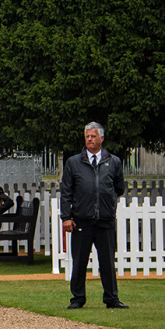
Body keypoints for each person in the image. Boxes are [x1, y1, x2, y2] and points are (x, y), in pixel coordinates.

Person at [60, 122, 128, 309]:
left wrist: (107, 201)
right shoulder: (74, 162)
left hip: (105, 220)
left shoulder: (114, 162)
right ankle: (77, 299)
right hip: (81, 220)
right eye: (87, 136)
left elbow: (119, 187)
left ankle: (111, 299)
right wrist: (66, 217)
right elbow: (66, 192)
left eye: (93, 136)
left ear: (101, 138)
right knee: (79, 261)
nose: (89, 139)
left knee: (107, 262)